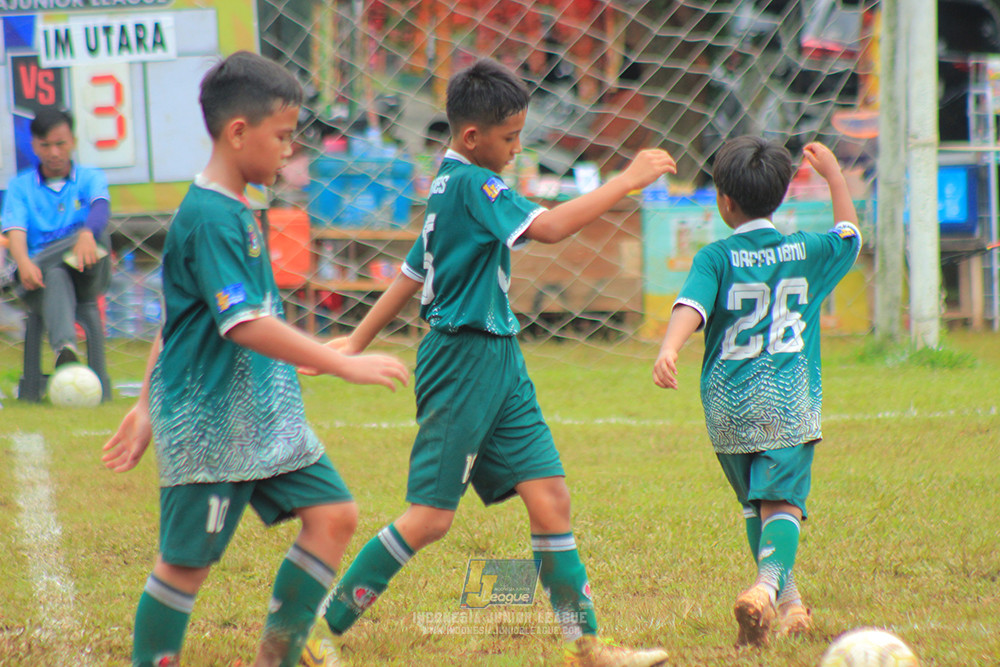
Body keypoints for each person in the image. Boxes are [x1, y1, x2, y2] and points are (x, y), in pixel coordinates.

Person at [301, 58, 677, 667]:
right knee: (429, 517)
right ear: (472, 137)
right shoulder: (473, 184)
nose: (516, 148)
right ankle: (318, 632)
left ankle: (588, 647)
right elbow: (550, 228)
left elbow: (414, 270)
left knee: (550, 495)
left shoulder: (449, 182)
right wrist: (625, 181)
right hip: (460, 359)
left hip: (500, 358)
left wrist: (356, 339)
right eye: (509, 138)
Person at [100, 51, 409, 667]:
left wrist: (141, 404)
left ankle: (279, 657)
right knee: (185, 566)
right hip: (211, 423)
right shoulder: (211, 216)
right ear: (238, 132)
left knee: (334, 514)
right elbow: (241, 324)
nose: (291, 151)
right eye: (283, 136)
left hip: (263, 420)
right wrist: (339, 359)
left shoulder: (239, 207)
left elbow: (185, 317)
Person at [652, 137, 862, 648]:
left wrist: (669, 348)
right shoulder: (808, 250)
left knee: (755, 505)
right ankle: (767, 588)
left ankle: (788, 605)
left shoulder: (715, 256)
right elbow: (850, 235)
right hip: (787, 399)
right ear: (783, 196)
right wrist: (835, 177)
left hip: (726, 402)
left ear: (724, 201)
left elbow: (692, 308)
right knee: (784, 504)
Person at [1, 107, 112, 370]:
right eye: (46, 145)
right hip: (39, 282)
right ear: (35, 146)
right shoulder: (20, 186)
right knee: (55, 275)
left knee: (99, 237)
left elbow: (101, 208)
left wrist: (86, 234)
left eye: (61, 144)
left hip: (87, 275)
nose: (54, 152)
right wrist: (25, 263)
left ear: (72, 141)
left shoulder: (90, 177)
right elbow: (16, 231)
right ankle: (65, 351)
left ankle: (15, 275)